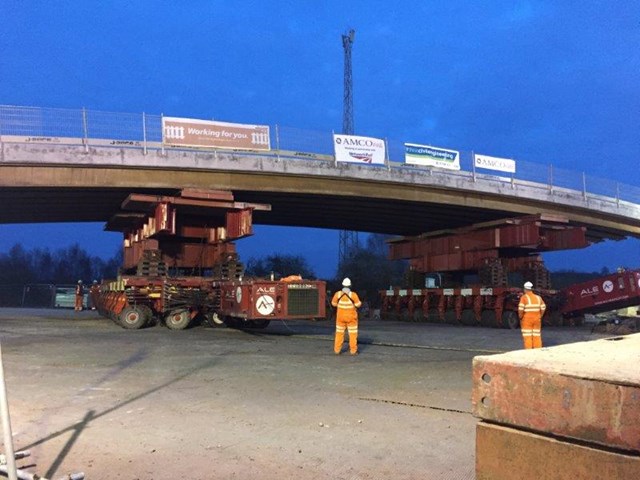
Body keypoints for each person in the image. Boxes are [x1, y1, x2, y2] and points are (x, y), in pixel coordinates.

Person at [331, 277, 362, 355]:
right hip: (351, 318)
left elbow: (333, 304)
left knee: (339, 334)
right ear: (350, 285)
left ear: (342, 285)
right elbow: (358, 305)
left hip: (340, 318)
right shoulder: (353, 295)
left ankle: (337, 350)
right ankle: (353, 351)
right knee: (352, 334)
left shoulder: (337, 294)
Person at [518, 281, 546, 349]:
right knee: (537, 335)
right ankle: (538, 350)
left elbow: (520, 309)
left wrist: (520, 317)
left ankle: (529, 351)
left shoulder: (524, 298)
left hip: (527, 320)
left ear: (525, 289)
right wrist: (540, 316)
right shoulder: (538, 297)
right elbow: (543, 307)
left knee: (527, 336)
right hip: (537, 319)